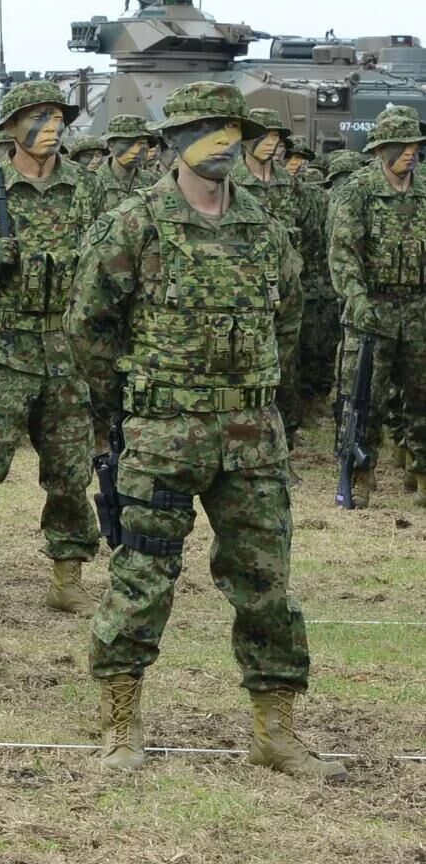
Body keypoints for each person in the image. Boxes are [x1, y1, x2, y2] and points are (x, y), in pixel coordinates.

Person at [71, 81, 339, 779]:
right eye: (209, 131)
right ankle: (121, 724)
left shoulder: (265, 227)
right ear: (177, 141)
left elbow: (290, 316)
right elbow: (89, 327)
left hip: (250, 436)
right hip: (163, 433)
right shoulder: (134, 225)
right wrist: (127, 403)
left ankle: (275, 732)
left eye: (233, 131)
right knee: (141, 578)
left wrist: (267, 401)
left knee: (266, 585)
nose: (224, 144)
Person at [0, 80, 106, 616]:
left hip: (66, 351)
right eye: (39, 117)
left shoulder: (87, 189)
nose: (52, 127)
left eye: (59, 117)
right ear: (12, 127)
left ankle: (68, 576)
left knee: (69, 472)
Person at [327, 105, 426, 509]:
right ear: (380, 150)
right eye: (401, 147)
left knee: (422, 395)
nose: (410, 153)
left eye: (415, 146)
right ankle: (360, 474)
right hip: (373, 308)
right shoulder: (357, 190)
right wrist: (357, 298)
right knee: (364, 396)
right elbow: (343, 252)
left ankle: (421, 471)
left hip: (419, 308)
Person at [229, 110, 325, 426]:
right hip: (238, 291)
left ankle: (287, 434)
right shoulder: (228, 182)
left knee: (287, 363)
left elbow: (310, 234)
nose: (272, 144)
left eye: (277, 138)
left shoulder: (291, 185)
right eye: (265, 136)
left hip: (282, 290)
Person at [98, 114, 160, 205]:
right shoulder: (92, 183)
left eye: (141, 144)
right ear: (111, 145)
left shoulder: (155, 182)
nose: (135, 151)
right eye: (127, 143)